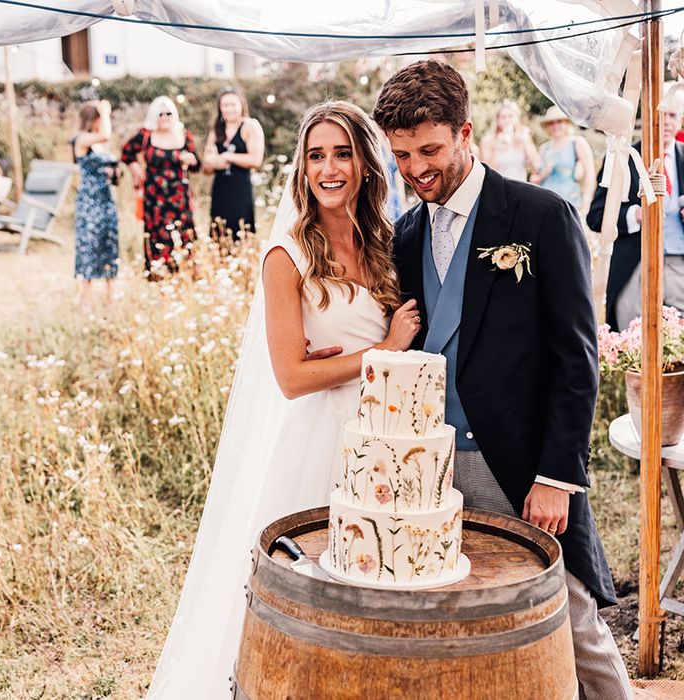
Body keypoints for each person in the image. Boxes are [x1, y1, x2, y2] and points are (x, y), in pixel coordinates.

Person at [372, 60, 632, 700]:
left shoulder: (541, 216)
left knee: (571, 622)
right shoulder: (404, 236)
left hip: (518, 467)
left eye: (429, 149)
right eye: (402, 155)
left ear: (466, 133)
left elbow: (577, 358)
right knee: (461, 630)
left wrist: (556, 476)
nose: (416, 169)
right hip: (426, 470)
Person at [145, 101, 420, 699]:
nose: (329, 167)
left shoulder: (381, 242)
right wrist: (384, 351)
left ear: (365, 164)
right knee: (313, 596)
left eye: (342, 153)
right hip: (319, 438)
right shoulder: (285, 255)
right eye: (316, 155)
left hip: (382, 438)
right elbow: (292, 376)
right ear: (301, 168)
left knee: (372, 592)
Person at [587, 94, 684, 330]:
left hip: (680, 263)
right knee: (632, 336)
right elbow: (596, 216)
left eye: (673, 116)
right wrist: (635, 215)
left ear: (681, 120)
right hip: (635, 264)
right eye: (662, 115)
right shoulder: (623, 158)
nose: (667, 122)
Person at [121, 96, 199, 278]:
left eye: (168, 113)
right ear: (154, 116)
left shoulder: (184, 134)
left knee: (183, 236)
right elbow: (126, 151)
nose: (164, 117)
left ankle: (184, 277)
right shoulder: (146, 135)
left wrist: (189, 159)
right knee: (158, 237)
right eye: (160, 113)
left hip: (179, 197)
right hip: (155, 198)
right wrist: (134, 167)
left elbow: (197, 165)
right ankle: (160, 277)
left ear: (174, 114)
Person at [72, 101, 119, 313]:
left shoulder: (100, 146)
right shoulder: (82, 139)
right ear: (95, 119)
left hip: (106, 200)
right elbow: (106, 135)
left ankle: (111, 298)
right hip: (89, 203)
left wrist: (114, 173)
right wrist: (106, 111)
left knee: (109, 247)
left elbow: (110, 167)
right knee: (88, 248)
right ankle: (86, 301)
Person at [202, 86, 264, 240]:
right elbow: (207, 166)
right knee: (219, 236)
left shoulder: (250, 126)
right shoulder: (216, 130)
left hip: (240, 190)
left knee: (241, 236)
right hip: (220, 190)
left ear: (241, 105)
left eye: (233, 104)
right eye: (225, 105)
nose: (229, 109)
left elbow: (256, 160)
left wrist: (227, 157)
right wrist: (215, 162)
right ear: (220, 108)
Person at [534, 105, 596, 216]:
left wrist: (586, 201)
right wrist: (542, 175)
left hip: (569, 202)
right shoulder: (544, 148)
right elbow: (535, 178)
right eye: (552, 123)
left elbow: (590, 173)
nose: (555, 126)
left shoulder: (577, 143)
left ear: (567, 123)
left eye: (559, 122)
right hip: (544, 203)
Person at [479, 100, 539, 182]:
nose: (507, 120)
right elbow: (487, 172)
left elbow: (537, 166)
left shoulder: (523, 137)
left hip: (519, 188)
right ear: (497, 119)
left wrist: (526, 142)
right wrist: (497, 147)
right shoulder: (488, 140)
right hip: (498, 187)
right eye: (503, 117)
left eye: (510, 116)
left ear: (516, 118)